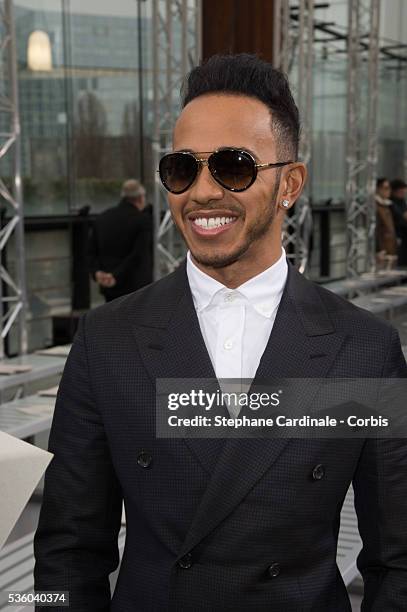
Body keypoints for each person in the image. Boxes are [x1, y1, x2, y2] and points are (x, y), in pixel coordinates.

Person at [34, 54, 407, 611]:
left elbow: (396, 559)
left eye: (233, 166)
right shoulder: (107, 339)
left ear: (291, 183)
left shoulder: (364, 349)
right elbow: (68, 552)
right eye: (183, 168)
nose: (203, 192)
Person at [88, 179, 153, 301]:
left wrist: (97, 273)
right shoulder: (142, 220)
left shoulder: (102, 218)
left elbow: (91, 251)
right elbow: (138, 254)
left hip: (109, 287)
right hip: (135, 287)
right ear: (140, 198)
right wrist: (115, 275)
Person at [375, 177, 397, 269]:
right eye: (386, 188)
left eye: (389, 188)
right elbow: (375, 229)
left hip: (390, 247)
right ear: (378, 189)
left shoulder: (387, 205)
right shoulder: (375, 206)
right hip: (381, 249)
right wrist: (378, 249)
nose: (389, 191)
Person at [390, 178, 407, 266]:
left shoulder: (402, 201)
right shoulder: (391, 203)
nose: (404, 194)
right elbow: (402, 216)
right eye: (402, 192)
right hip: (398, 234)